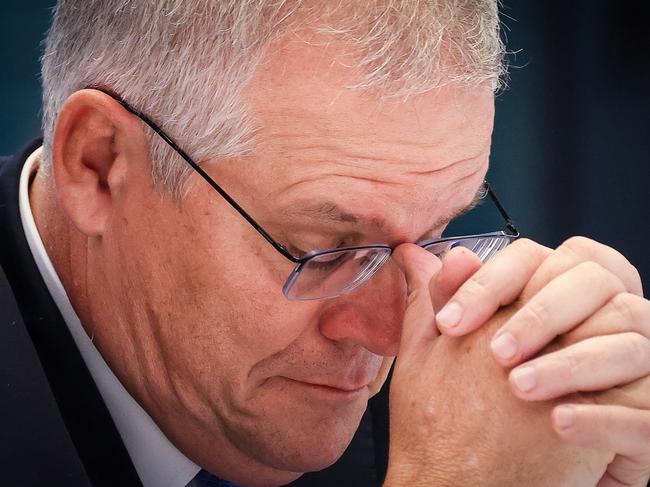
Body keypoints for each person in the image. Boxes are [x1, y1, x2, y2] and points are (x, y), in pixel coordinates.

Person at [1, 1, 649, 486]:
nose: (394, 333)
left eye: (438, 233)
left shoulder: (481, 411)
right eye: (330, 249)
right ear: (99, 165)